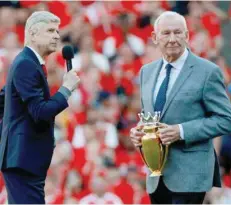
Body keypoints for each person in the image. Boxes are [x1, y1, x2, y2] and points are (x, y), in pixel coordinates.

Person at [129, 11, 231, 204]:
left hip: (190, 175)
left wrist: (181, 131)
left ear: (187, 35)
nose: (173, 39)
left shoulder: (207, 71)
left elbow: (226, 119)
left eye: (178, 32)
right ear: (154, 37)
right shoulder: (146, 72)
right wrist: (139, 131)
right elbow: (149, 116)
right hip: (156, 175)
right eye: (166, 33)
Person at [0, 11, 80, 204]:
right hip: (23, 160)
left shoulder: (27, 62)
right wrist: (66, 89)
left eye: (58, 31)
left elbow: (3, 100)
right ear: (33, 34)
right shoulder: (27, 64)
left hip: (22, 158)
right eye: (50, 30)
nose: (57, 36)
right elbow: (40, 112)